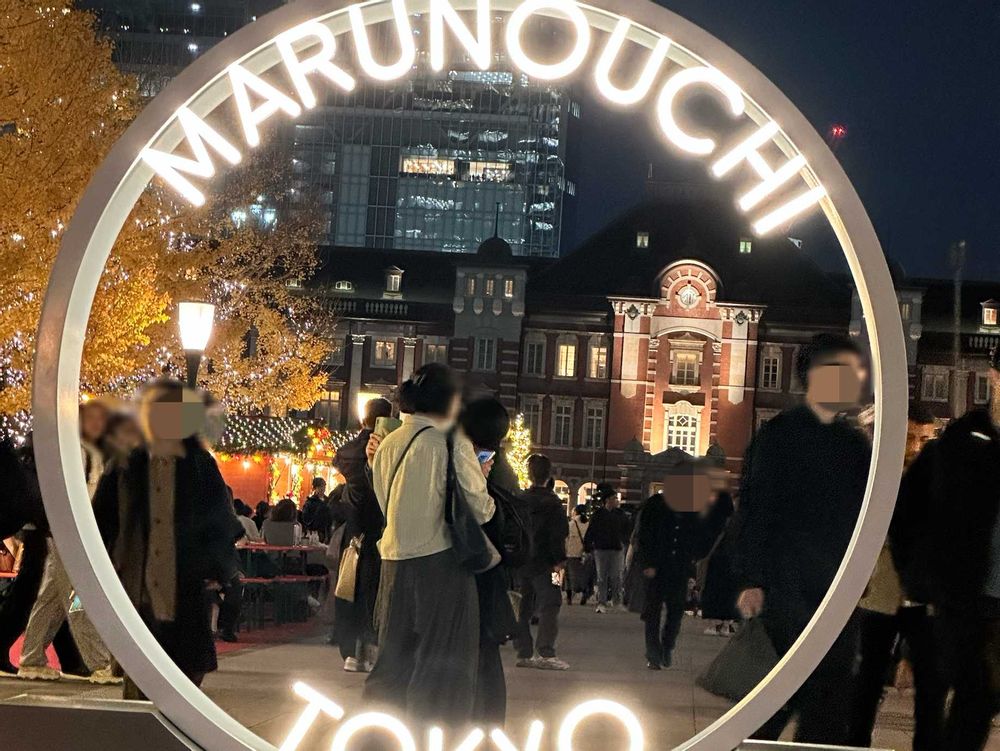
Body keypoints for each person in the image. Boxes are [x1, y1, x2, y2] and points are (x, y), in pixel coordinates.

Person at [735, 333, 871, 744]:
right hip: (787, 584)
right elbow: (756, 509)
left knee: (829, 696)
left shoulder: (854, 445)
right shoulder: (780, 437)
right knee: (780, 693)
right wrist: (753, 579)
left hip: (836, 585)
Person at [363, 364, 495, 727]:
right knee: (443, 664)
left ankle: (380, 732)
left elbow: (384, 503)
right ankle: (434, 735)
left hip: (393, 561)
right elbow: (481, 509)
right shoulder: (450, 442)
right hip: (441, 562)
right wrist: (481, 476)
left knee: (392, 661)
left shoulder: (388, 444)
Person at [94, 379, 243, 696]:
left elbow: (220, 520)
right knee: (139, 672)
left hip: (186, 580)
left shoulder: (199, 463)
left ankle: (173, 720)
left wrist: (220, 569)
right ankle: (141, 721)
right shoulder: (125, 463)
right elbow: (103, 519)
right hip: (136, 581)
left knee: (187, 670)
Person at [891, 346, 1000, 750]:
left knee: (978, 700)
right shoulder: (957, 446)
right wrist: (922, 584)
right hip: (960, 600)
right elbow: (907, 518)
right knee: (969, 697)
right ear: (994, 378)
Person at [849, 406, 944, 749]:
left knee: (930, 687)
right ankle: (855, 743)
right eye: (909, 438)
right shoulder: (876, 475)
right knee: (867, 680)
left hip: (922, 594)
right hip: (880, 590)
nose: (916, 447)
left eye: (924, 439)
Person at [17, 401, 118, 684]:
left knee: (52, 597)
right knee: (79, 596)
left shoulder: (87, 452)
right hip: (71, 533)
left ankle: (31, 658)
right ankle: (99, 662)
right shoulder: (75, 452)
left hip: (69, 532)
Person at [458, 397, 520, 723]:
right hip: (491, 574)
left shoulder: (482, 465)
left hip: (478, 571)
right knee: (486, 654)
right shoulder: (501, 466)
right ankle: (489, 727)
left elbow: (483, 516)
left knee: (479, 654)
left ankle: (483, 726)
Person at [635, 465, 729, 670]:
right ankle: (653, 653)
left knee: (676, 611)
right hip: (656, 567)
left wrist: (695, 557)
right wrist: (648, 563)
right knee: (652, 612)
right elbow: (644, 536)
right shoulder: (654, 505)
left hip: (679, 567)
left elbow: (704, 535)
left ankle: (667, 645)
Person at [330, 396, 392, 673]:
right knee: (374, 590)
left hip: (354, 530)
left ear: (362, 418)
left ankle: (350, 652)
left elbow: (339, 461)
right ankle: (369, 647)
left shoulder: (347, 452)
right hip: (380, 528)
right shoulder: (389, 449)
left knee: (349, 587)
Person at [514, 454, 569, 670]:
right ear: (549, 475)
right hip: (548, 563)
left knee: (523, 606)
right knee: (552, 602)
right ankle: (546, 651)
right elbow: (558, 535)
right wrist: (559, 561)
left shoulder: (520, 501)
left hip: (523, 562)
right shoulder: (553, 504)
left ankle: (524, 651)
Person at [585, 483, 630, 613]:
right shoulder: (598, 514)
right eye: (614, 498)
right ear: (607, 500)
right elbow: (591, 530)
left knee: (616, 576)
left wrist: (624, 541)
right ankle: (602, 602)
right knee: (602, 576)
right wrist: (588, 547)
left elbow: (627, 529)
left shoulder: (620, 514)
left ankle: (616, 601)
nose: (616, 501)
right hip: (601, 549)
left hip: (616, 548)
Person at [565, 505, 592, 605]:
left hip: (571, 553)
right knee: (585, 575)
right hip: (585, 554)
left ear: (575, 512)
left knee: (569, 576)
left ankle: (569, 597)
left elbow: (566, 540)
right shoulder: (589, 525)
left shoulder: (570, 524)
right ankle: (585, 593)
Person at [302, 477, 333, 543]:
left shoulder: (328, 501)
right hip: (315, 533)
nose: (322, 489)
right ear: (315, 488)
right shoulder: (310, 502)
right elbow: (306, 519)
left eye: (323, 486)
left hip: (328, 532)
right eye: (320, 486)